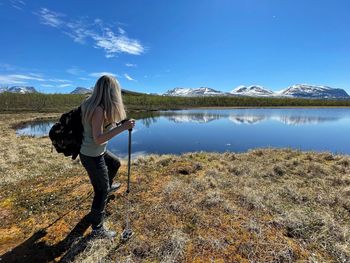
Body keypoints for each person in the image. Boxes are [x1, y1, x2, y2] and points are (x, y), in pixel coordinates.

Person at [79, 75, 135, 238]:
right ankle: (97, 229)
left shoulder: (91, 104)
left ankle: (106, 187)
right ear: (110, 91)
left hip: (94, 152)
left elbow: (97, 130)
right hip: (92, 155)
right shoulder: (98, 109)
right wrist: (123, 128)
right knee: (101, 190)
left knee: (115, 163)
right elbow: (99, 138)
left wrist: (118, 124)